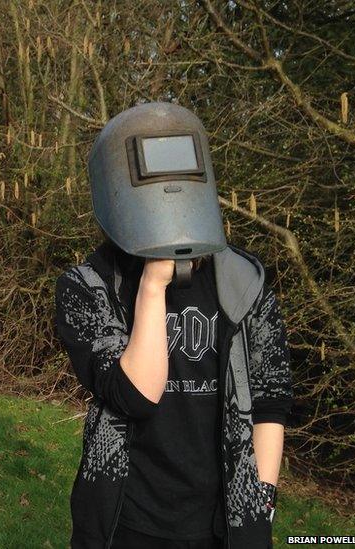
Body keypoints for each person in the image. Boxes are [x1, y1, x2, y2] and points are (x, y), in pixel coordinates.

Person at [56, 102, 293, 548]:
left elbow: (269, 404)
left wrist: (260, 505)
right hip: (123, 521)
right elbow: (136, 394)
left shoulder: (244, 282)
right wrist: (153, 282)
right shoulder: (88, 287)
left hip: (221, 525)